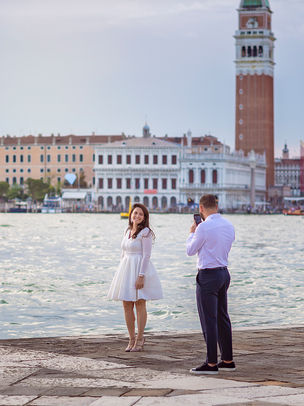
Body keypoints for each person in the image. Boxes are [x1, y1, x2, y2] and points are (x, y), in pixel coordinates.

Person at [186, 194, 235, 375]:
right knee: (223, 317)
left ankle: (212, 363)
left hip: (208, 275)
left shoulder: (203, 228)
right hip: (223, 272)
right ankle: (228, 359)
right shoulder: (229, 225)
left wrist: (192, 232)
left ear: (201, 208)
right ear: (216, 205)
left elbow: (190, 251)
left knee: (209, 320)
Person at [107, 203, 162, 352]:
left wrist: (141, 276)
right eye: (135, 213)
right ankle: (131, 338)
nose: (137, 216)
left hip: (139, 268)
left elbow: (146, 256)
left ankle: (140, 338)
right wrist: (120, 271)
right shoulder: (127, 231)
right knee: (126, 304)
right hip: (126, 268)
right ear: (131, 215)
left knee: (139, 303)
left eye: (140, 214)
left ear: (144, 218)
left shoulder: (146, 233)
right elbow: (123, 253)